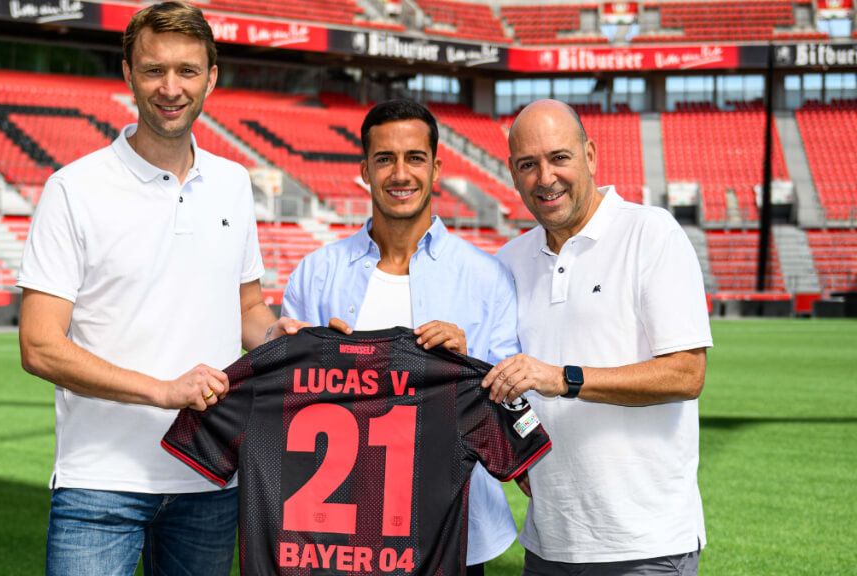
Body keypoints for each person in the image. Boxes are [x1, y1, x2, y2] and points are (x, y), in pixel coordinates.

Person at [16, 3, 303, 574]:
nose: (170, 88)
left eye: (187, 71)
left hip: (209, 475)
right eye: (153, 71)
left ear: (211, 78)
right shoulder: (73, 189)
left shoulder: (234, 183)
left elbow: (245, 305)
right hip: (100, 484)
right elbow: (38, 345)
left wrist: (275, 333)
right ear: (127, 73)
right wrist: (163, 391)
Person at [281, 99, 522, 575]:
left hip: (454, 524)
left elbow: (511, 407)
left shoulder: (487, 278)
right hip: (339, 531)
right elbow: (287, 411)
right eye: (384, 158)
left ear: (436, 167)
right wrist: (303, 358)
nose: (400, 173)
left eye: (414, 158)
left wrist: (467, 367)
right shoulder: (315, 273)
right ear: (364, 170)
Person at [483, 99, 712, 575]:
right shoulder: (508, 261)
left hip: (644, 545)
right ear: (512, 172)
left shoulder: (651, 233)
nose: (545, 177)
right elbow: (498, 381)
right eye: (528, 164)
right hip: (549, 542)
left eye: (559, 158)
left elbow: (686, 373)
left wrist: (562, 378)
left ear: (589, 155)